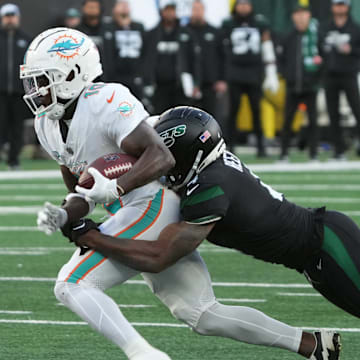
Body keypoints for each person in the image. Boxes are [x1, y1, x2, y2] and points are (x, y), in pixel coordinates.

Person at [22, 27, 323, 360]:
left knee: (72, 283)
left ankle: (143, 354)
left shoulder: (106, 100)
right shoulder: (46, 124)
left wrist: (118, 187)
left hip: (153, 202)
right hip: (128, 211)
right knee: (201, 313)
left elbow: (160, 155)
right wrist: (65, 213)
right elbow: (83, 191)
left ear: (72, 74)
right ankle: (312, 344)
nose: (36, 90)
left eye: (42, 79)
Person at [65, 107, 344, 360]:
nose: (163, 162)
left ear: (187, 155)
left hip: (327, 244)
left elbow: (158, 257)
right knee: (203, 315)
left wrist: (93, 237)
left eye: (170, 157)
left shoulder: (210, 187)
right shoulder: (204, 171)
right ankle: (313, 345)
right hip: (306, 256)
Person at [218, 0, 279, 157]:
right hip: (235, 73)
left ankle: (261, 146)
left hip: (254, 73)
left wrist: (271, 72)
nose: (243, 7)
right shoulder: (228, 24)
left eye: (246, 4)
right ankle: (229, 146)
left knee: (256, 111)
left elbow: (267, 45)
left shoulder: (259, 23)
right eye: (241, 4)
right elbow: (221, 51)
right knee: (233, 112)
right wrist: (223, 75)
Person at [279, 5, 323, 161]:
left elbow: (323, 59)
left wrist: (316, 78)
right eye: (297, 14)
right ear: (293, 17)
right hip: (292, 85)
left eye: (303, 14)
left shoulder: (316, 35)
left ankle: (313, 153)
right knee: (287, 121)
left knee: (313, 121)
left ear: (309, 16)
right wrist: (286, 75)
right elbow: (282, 59)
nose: (301, 17)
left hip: (310, 85)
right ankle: (284, 153)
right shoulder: (289, 36)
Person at [320, 0, 360, 159]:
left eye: (342, 4)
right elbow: (319, 48)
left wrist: (351, 50)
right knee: (332, 113)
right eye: (337, 4)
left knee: (357, 109)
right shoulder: (325, 27)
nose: (340, 7)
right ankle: (338, 149)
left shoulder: (355, 28)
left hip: (349, 73)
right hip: (330, 75)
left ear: (347, 7)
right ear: (332, 7)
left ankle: (357, 140)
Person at [145, 0, 191, 113]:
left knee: (181, 116)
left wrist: (194, 82)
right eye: (167, 10)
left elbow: (193, 59)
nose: (170, 13)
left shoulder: (186, 32)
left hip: (179, 86)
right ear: (161, 12)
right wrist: (147, 82)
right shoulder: (151, 34)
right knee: (160, 118)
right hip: (159, 86)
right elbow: (146, 60)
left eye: (172, 10)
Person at [0, 3, 30, 169]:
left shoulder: (26, 39)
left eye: (12, 16)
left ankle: (13, 159)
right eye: (7, 16)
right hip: (1, 91)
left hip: (19, 91)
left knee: (16, 128)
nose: (10, 19)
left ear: (17, 17)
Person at [181, 0, 221, 115]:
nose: (197, 12)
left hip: (209, 81)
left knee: (210, 115)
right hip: (188, 82)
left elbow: (222, 56)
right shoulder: (183, 31)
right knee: (189, 115)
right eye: (194, 9)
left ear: (204, 11)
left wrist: (221, 79)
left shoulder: (214, 31)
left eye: (199, 9)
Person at [109, 0, 146, 100]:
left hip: (135, 75)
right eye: (121, 5)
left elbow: (145, 52)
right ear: (114, 9)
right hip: (116, 75)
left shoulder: (139, 26)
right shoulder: (108, 27)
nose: (124, 7)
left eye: (126, 5)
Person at [77, 0, 113, 80]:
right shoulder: (77, 31)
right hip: (83, 77)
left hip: (107, 76)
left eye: (94, 7)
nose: (92, 9)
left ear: (100, 9)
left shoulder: (109, 30)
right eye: (89, 7)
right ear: (83, 8)